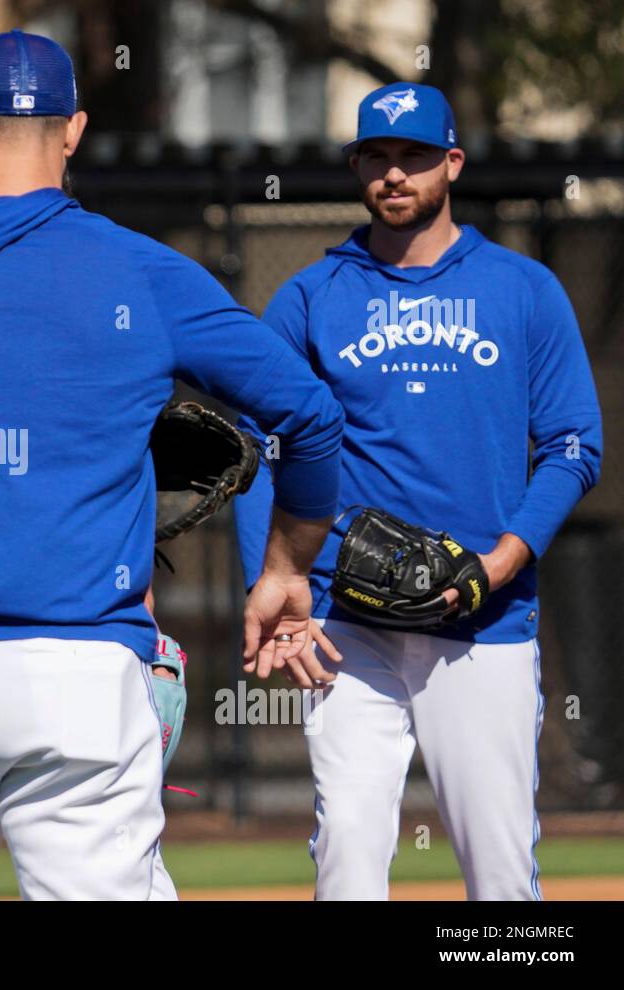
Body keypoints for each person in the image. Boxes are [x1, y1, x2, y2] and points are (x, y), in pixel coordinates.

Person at [0, 30, 345, 901]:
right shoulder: (139, 269)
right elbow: (311, 416)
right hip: (74, 668)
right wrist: (285, 568)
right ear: (73, 131)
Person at [232, 82, 603, 900]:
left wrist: (500, 564)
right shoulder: (308, 298)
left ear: (452, 164)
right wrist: (276, 580)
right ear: (357, 166)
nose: (394, 175)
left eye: (414, 157)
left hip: (486, 619)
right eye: (377, 157)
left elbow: (575, 446)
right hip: (345, 622)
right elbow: (262, 450)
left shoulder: (524, 289)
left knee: (499, 868)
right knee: (349, 854)